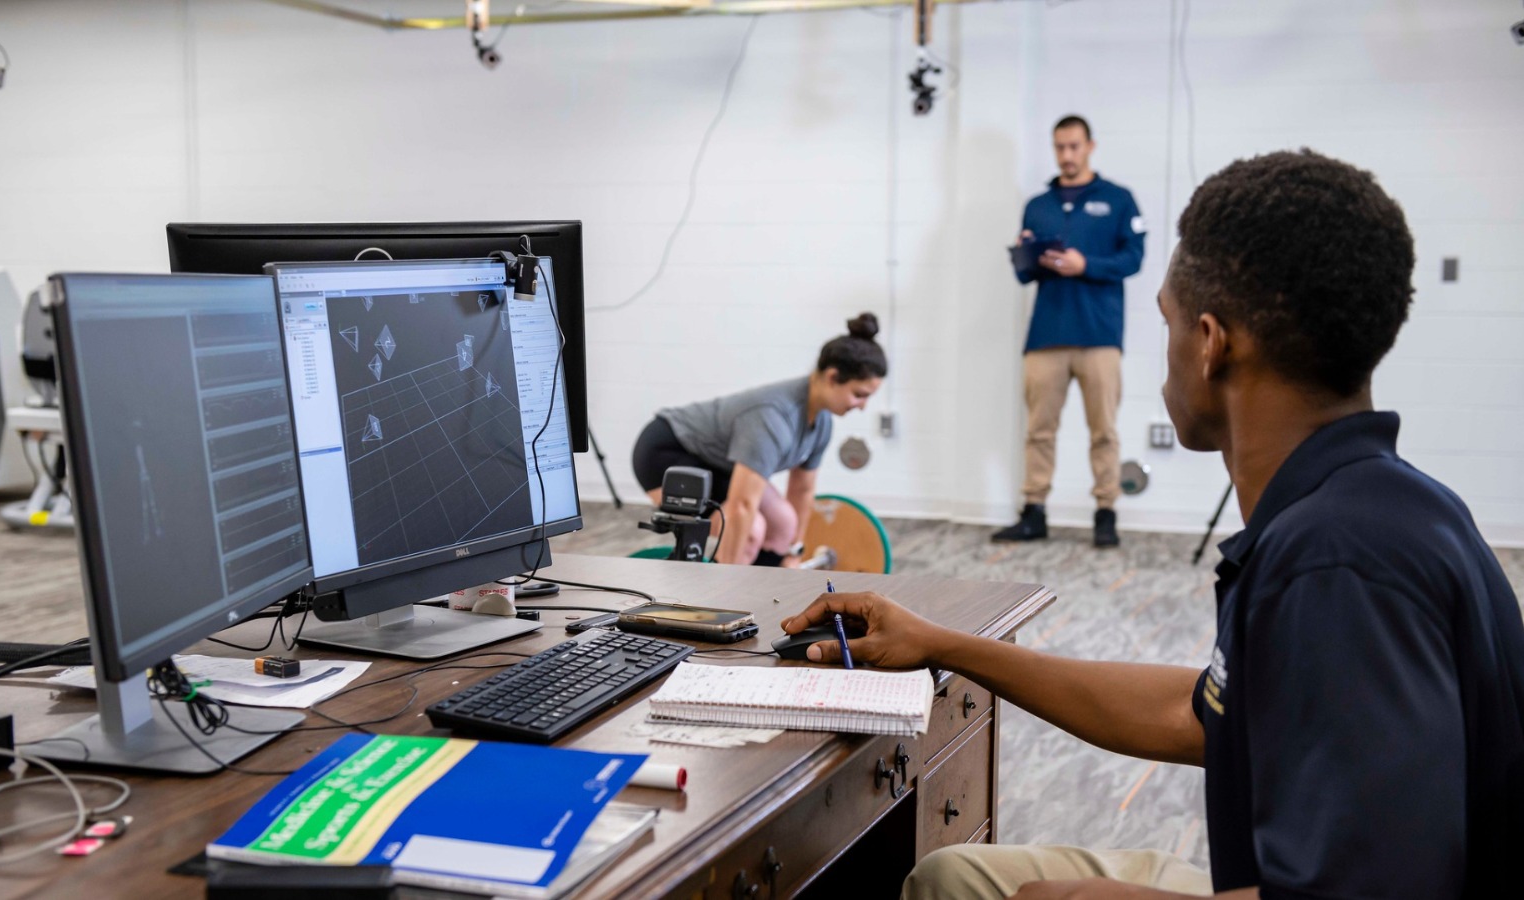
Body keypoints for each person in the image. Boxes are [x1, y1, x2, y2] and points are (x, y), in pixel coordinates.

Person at [783, 150, 1524, 898]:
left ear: (1208, 344)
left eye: (1166, 322)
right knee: (953, 874)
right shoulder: (1384, 505)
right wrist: (943, 644)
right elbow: (1199, 713)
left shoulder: (1334, 565)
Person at [997, 115, 1145, 548]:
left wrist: (1087, 266)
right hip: (1046, 335)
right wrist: (1027, 255)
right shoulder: (1038, 204)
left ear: (1090, 146)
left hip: (1099, 336)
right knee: (1039, 430)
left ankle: (1105, 513)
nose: (1066, 155)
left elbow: (1133, 258)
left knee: (1104, 431)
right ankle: (1034, 511)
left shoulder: (1118, 200)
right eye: (1059, 147)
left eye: (1074, 146)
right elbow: (1024, 277)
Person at [631, 314, 886, 566]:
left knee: (784, 523)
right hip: (666, 453)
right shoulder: (772, 418)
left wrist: (793, 554)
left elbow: (802, 490)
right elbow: (742, 506)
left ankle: (763, 593)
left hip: (717, 461)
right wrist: (725, 583)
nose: (863, 406)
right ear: (832, 378)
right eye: (859, 395)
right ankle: (723, 594)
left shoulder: (821, 423)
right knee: (752, 529)